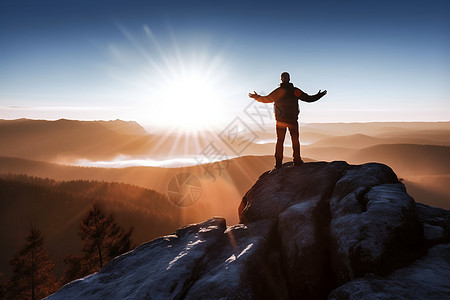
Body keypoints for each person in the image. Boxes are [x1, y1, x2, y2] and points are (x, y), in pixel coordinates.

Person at [249, 72, 327, 168]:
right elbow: (267, 99)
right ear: (283, 79)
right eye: (284, 77)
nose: (285, 78)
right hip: (289, 120)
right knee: (290, 140)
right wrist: (257, 97)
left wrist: (319, 95)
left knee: (284, 141)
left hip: (284, 120)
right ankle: (292, 161)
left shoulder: (283, 91)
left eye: (286, 77)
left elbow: (308, 98)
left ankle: (283, 163)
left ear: (286, 79)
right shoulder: (292, 91)